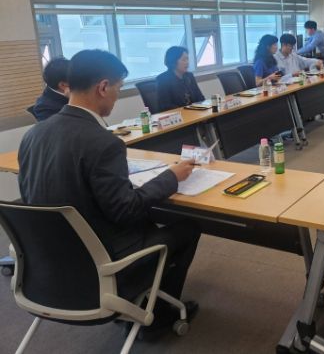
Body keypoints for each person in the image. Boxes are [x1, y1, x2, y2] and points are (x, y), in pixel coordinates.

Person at [18, 49, 200, 338]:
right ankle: (156, 316)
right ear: (103, 87)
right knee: (188, 226)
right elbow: (126, 211)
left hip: (50, 262)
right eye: (118, 88)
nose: (117, 96)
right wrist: (171, 177)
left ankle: (143, 300)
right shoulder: (103, 142)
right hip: (102, 262)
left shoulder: (33, 135)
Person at [156, 46, 205, 112]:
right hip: (177, 115)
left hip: (194, 113)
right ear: (173, 61)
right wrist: (188, 110)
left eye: (187, 59)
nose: (187, 62)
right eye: (184, 60)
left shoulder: (189, 76)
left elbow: (200, 97)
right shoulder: (163, 79)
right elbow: (166, 105)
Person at [33, 57, 70, 121]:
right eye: (76, 78)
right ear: (63, 85)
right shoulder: (45, 109)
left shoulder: (56, 88)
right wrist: (74, 100)